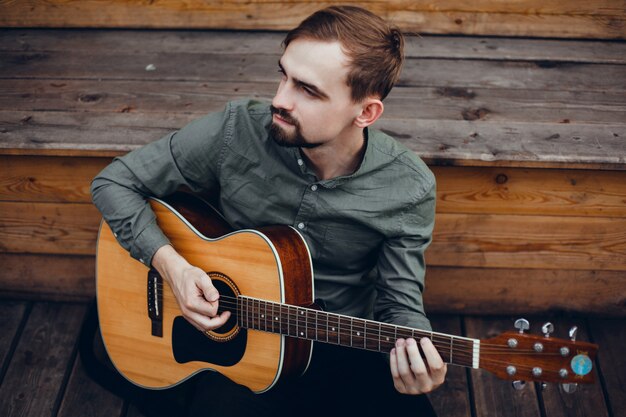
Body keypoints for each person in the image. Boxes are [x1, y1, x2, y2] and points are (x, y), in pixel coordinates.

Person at [91, 5, 446, 417]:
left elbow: (400, 305)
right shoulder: (236, 129)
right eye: (284, 75)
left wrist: (417, 350)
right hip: (228, 345)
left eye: (308, 91)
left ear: (365, 112)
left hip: (338, 345)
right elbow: (113, 182)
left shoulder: (409, 186)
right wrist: (173, 267)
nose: (279, 100)